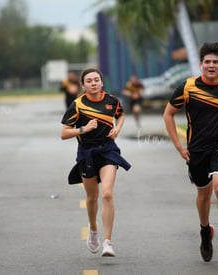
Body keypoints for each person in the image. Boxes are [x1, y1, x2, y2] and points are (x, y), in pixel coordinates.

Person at [163, 42, 218, 262]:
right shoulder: (187, 87)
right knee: (203, 193)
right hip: (197, 148)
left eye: (215, 62)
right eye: (207, 62)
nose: (211, 65)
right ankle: (205, 231)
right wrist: (178, 146)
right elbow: (168, 115)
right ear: (201, 65)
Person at [61, 68, 131, 257]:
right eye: (89, 81)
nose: (93, 83)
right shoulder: (77, 105)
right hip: (87, 153)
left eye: (96, 80)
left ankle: (108, 242)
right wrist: (83, 129)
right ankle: (93, 229)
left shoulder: (112, 101)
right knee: (92, 197)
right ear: (83, 85)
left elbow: (121, 115)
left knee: (107, 194)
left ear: (101, 82)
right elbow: (64, 133)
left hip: (108, 150)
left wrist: (118, 128)